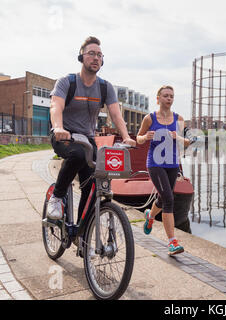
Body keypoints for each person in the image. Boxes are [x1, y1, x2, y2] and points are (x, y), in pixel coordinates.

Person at [47, 36, 136, 221]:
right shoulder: (67, 82)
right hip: (65, 136)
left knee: (92, 185)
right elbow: (56, 106)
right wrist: (58, 128)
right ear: (81, 57)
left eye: (99, 55)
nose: (96, 58)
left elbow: (116, 114)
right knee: (78, 155)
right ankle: (56, 196)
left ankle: (82, 234)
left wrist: (126, 136)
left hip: (87, 139)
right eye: (91, 54)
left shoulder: (105, 87)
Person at [136, 85, 191, 255]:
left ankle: (150, 216)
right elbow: (138, 139)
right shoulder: (150, 118)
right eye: (166, 96)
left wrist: (178, 136)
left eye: (171, 96)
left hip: (173, 164)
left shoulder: (178, 118)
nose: (169, 99)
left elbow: (187, 142)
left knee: (162, 198)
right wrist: (145, 137)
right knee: (169, 199)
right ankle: (172, 242)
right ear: (158, 98)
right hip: (155, 163)